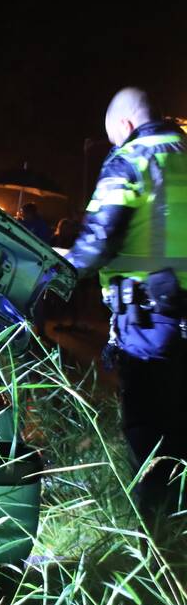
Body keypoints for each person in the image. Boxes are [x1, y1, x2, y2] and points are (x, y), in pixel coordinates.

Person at [65, 86, 187, 524]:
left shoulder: (131, 159)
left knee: (149, 423)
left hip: (150, 318)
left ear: (125, 125)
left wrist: (61, 268)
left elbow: (99, 239)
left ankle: (159, 531)